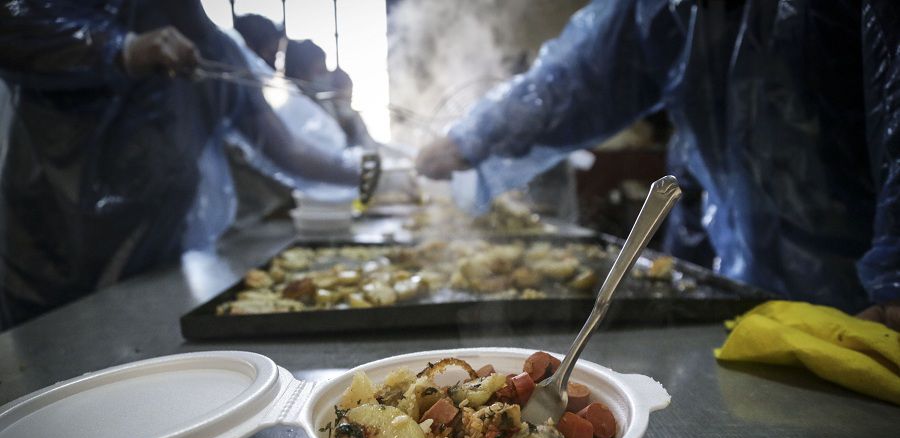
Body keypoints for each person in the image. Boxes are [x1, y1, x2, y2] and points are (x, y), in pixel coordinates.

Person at [415, 0, 899, 328]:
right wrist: (468, 140)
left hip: (868, 296)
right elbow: (576, 79)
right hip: (740, 275)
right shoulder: (665, 10)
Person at [0, 0, 362, 329]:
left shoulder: (211, 46)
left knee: (140, 342)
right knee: (48, 353)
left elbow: (287, 149)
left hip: (156, 251)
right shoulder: (69, 13)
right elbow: (14, 26)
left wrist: (368, 173)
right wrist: (120, 50)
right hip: (47, 247)